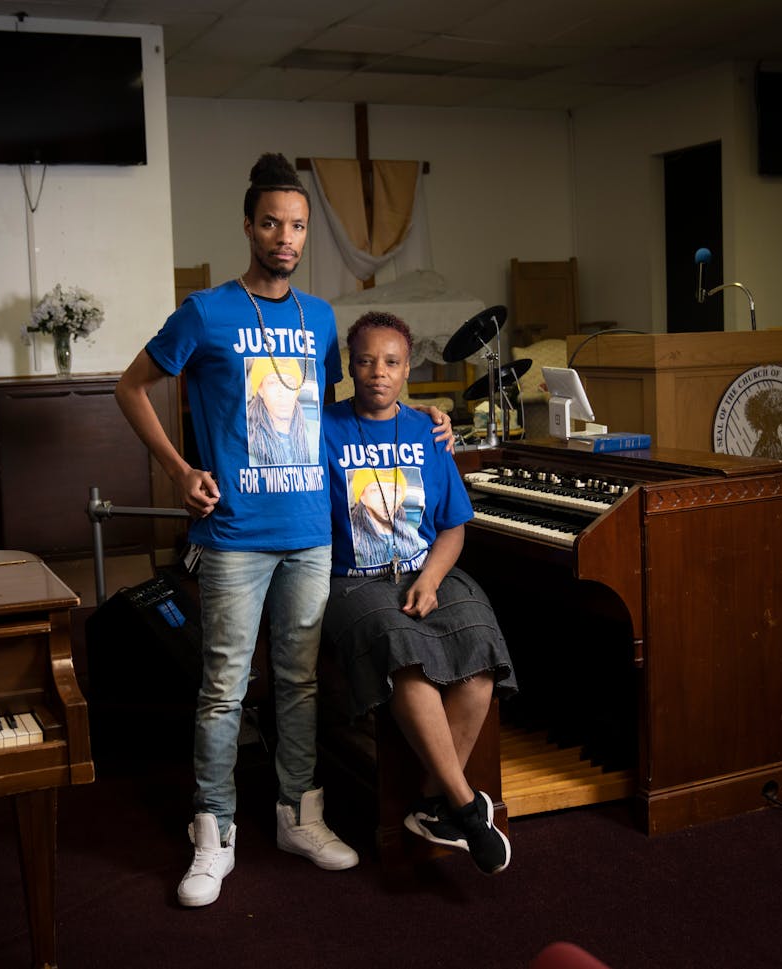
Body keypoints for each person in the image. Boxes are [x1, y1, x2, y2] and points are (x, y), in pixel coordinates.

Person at [114, 153, 453, 907]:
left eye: (298, 225)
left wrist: (423, 412)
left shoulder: (320, 318)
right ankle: (215, 830)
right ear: (248, 225)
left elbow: (337, 414)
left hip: (310, 533)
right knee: (225, 685)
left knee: (300, 682)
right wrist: (177, 468)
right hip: (234, 531)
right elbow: (130, 385)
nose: (286, 236)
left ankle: (300, 815)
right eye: (272, 222)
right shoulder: (206, 312)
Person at [322, 310, 517, 875]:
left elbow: (453, 525)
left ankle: (435, 803)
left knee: (480, 654)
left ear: (408, 369)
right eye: (365, 361)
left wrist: (431, 578)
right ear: (349, 368)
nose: (377, 373)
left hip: (426, 569)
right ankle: (465, 807)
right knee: (405, 658)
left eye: (390, 362)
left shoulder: (428, 432)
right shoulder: (323, 427)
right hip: (353, 581)